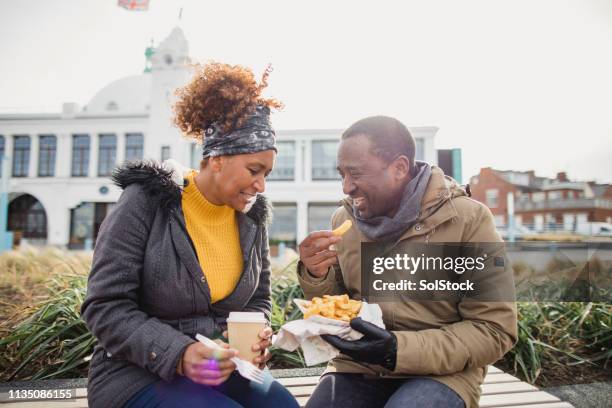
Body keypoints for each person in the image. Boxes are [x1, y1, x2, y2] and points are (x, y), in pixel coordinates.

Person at [81, 62, 299, 408]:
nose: (261, 185)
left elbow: (258, 298)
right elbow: (105, 307)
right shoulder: (146, 201)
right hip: (137, 372)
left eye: (267, 173)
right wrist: (179, 353)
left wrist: (253, 337)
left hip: (223, 368)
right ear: (217, 159)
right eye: (254, 170)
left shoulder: (253, 217)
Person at [297, 116, 517, 408]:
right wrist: (317, 275)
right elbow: (338, 314)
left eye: (356, 173)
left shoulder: (469, 220)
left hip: (443, 375)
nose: (346, 187)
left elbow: (494, 329)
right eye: (342, 174)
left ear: (399, 168)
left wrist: (396, 350)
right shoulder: (344, 220)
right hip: (360, 366)